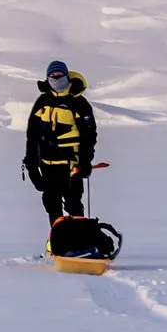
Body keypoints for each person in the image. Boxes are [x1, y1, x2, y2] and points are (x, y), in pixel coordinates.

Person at [23, 59, 97, 225]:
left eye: (60, 75)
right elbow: (32, 136)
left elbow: (89, 136)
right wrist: (32, 166)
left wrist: (85, 162)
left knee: (73, 203)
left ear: (67, 76)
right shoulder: (42, 102)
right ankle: (59, 242)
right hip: (47, 165)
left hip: (72, 164)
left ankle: (80, 241)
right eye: (53, 75)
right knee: (51, 203)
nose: (56, 78)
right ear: (47, 78)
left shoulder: (79, 103)